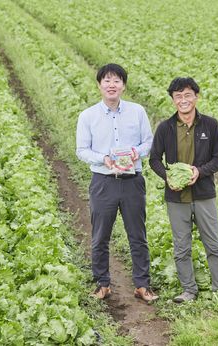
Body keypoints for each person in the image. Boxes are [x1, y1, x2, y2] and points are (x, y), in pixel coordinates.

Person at [76, 63, 158, 302]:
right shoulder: (88, 116)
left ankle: (142, 285)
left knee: (137, 235)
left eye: (117, 81)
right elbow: (82, 150)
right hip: (103, 181)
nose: (112, 85)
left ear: (123, 85)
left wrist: (136, 153)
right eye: (107, 81)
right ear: (100, 85)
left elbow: (149, 143)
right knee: (100, 235)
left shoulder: (137, 111)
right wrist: (103, 158)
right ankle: (102, 283)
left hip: (132, 181)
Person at [149, 77, 218, 303]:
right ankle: (189, 290)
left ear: (196, 96)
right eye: (178, 96)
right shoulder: (165, 128)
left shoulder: (210, 125)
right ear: (173, 100)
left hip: (204, 195)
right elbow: (154, 159)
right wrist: (168, 176)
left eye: (187, 95)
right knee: (181, 246)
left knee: (213, 244)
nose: (183, 100)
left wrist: (199, 172)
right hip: (176, 197)